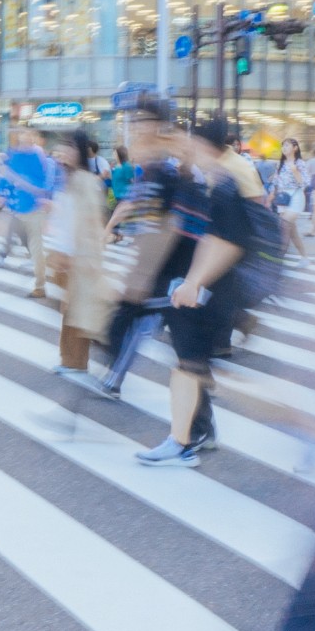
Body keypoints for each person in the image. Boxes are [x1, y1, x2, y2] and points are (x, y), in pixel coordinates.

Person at [135, 114, 251, 468]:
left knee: (195, 370)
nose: (185, 147)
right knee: (190, 368)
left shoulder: (225, 185)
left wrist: (194, 282)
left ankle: (306, 428)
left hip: (213, 296)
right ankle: (186, 438)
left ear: (204, 145)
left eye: (191, 141)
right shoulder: (209, 180)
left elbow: (227, 244)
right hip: (201, 292)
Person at [46, 129, 114, 377]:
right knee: (71, 310)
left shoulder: (85, 180)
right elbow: (64, 217)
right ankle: (74, 358)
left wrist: (85, 256)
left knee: (76, 311)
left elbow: (90, 221)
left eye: (70, 147)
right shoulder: (67, 177)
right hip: (65, 254)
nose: (64, 151)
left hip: (80, 256)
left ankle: (78, 360)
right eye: (63, 146)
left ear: (81, 151)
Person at [0, 129, 55, 296]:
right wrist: (3, 196)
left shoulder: (38, 156)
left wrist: (41, 195)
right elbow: (7, 179)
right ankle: (36, 271)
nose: (22, 143)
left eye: (25, 139)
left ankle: (40, 285)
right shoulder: (17, 156)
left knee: (35, 245)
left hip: (34, 208)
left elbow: (43, 182)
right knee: (29, 242)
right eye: (20, 140)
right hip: (20, 208)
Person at [271, 138, 312, 262]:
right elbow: (276, 182)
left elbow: (305, 183)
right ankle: (304, 257)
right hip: (283, 199)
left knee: (284, 227)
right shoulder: (280, 164)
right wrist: (271, 196)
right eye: (283, 145)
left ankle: (278, 260)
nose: (284, 148)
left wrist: (295, 171)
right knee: (292, 232)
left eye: (287, 145)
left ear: (295, 148)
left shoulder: (300, 163)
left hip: (296, 197)